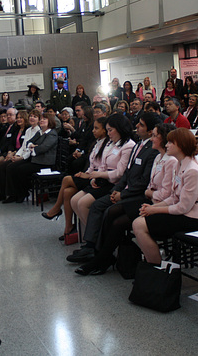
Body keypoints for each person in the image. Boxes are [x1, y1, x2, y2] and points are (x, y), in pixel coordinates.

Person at [75, 123, 177, 275]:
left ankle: (99, 259)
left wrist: (149, 193)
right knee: (112, 214)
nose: (152, 138)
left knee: (115, 216)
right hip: (149, 197)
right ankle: (100, 256)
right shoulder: (158, 158)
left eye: (155, 136)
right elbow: (145, 181)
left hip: (157, 203)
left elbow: (163, 193)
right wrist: (120, 190)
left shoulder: (171, 161)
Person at [67, 113, 156, 263]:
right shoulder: (127, 145)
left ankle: (96, 247)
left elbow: (125, 175)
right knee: (75, 198)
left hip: (123, 187)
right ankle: (92, 244)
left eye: (110, 130)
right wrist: (96, 177)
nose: (137, 127)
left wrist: (120, 191)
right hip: (114, 183)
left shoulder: (131, 146)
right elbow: (124, 172)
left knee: (94, 206)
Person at [132, 128, 198, 266]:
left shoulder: (193, 170)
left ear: (181, 145)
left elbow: (183, 207)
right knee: (139, 220)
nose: (166, 145)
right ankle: (153, 263)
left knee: (139, 225)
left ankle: (154, 267)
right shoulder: (179, 163)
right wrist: (153, 207)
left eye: (170, 142)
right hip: (185, 213)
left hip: (196, 218)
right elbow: (174, 196)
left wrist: (155, 210)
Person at [41, 117, 110, 239]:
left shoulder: (107, 144)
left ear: (105, 130)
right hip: (90, 174)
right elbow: (92, 163)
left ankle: (57, 208)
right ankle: (68, 227)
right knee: (68, 192)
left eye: (96, 128)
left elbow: (101, 167)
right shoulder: (97, 142)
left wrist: (87, 174)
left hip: (98, 179)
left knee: (67, 179)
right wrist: (85, 172)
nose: (93, 131)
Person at [4, 114, 60, 203]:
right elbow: (29, 141)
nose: (41, 120)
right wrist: (31, 145)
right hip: (36, 160)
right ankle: (14, 194)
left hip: (45, 163)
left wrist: (33, 148)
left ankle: (22, 193)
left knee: (21, 169)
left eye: (44, 119)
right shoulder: (40, 132)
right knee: (12, 167)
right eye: (41, 119)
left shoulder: (52, 133)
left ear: (50, 122)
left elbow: (44, 147)